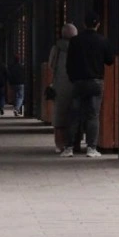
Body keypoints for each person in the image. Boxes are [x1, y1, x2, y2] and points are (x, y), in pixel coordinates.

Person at [62, 12, 114, 158]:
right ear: (98, 24)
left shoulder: (75, 41)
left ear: (84, 24)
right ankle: (91, 148)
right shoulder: (103, 40)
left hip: (78, 82)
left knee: (74, 115)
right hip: (96, 82)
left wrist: (72, 78)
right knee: (93, 115)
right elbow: (110, 61)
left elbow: (69, 63)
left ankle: (69, 148)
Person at [49, 23, 78, 154]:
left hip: (60, 84)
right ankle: (73, 144)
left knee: (59, 116)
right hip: (75, 84)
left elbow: (51, 65)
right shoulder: (78, 47)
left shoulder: (56, 48)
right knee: (74, 115)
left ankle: (59, 144)